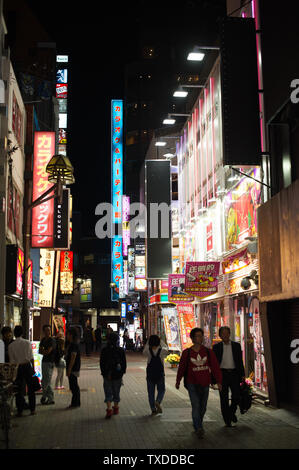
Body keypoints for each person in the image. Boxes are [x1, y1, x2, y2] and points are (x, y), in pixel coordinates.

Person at [176, 328, 222, 438]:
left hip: (205, 383)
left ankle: (198, 423)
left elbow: (215, 368)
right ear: (192, 338)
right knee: (196, 405)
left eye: (201, 336)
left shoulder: (208, 352)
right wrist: (178, 381)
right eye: (197, 336)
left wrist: (219, 381)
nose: (199, 338)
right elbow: (181, 368)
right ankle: (198, 427)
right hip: (192, 383)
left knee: (203, 407)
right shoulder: (187, 353)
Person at [213, 326, 245, 427]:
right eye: (223, 333)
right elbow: (214, 364)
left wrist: (243, 375)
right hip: (222, 375)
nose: (225, 335)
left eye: (227, 333)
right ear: (220, 335)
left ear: (230, 334)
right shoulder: (216, 347)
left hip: (234, 374)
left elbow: (240, 361)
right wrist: (214, 379)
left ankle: (231, 413)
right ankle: (227, 420)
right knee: (224, 398)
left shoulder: (236, 346)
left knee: (236, 396)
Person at [8, 325, 36, 417]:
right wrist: (33, 369)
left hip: (17, 368)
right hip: (27, 367)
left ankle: (19, 411)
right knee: (31, 389)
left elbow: (11, 361)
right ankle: (32, 410)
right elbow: (32, 358)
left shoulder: (11, 345)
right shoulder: (27, 343)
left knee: (19, 390)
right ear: (22, 333)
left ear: (14, 334)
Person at [100, 332, 126, 419]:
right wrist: (122, 373)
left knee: (108, 392)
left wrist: (104, 373)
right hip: (117, 375)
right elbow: (124, 363)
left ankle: (109, 409)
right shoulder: (120, 350)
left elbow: (101, 363)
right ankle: (116, 408)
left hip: (107, 374)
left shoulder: (104, 350)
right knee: (116, 391)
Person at [143, 335, 168, 415]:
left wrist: (148, 342)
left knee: (151, 392)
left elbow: (144, 351)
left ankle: (153, 409)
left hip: (150, 374)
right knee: (161, 390)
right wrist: (160, 340)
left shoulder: (148, 351)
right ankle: (158, 401)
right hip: (159, 373)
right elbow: (166, 348)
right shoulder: (162, 350)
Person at [39, 324, 56, 405]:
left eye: (49, 330)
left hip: (50, 362)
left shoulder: (52, 340)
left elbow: (48, 351)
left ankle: (49, 397)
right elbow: (40, 351)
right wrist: (44, 352)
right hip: (44, 361)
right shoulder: (43, 340)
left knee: (47, 380)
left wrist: (44, 351)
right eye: (46, 330)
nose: (48, 332)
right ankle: (46, 396)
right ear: (43, 331)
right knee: (44, 380)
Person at [65, 327, 81, 408]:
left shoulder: (74, 345)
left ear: (71, 335)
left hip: (73, 368)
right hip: (73, 368)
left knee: (74, 386)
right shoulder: (71, 344)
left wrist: (69, 369)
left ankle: (75, 403)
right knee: (73, 385)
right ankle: (76, 402)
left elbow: (73, 357)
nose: (66, 336)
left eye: (67, 334)